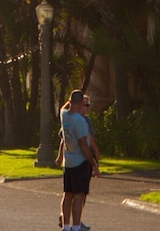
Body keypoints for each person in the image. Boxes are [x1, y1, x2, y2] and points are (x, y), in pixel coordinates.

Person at [58, 90, 98, 231]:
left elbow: (63, 108)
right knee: (79, 196)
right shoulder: (79, 121)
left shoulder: (64, 115)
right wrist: (93, 163)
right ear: (81, 103)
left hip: (68, 161)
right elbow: (83, 145)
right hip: (79, 162)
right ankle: (76, 227)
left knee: (67, 194)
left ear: (69, 101)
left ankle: (66, 226)